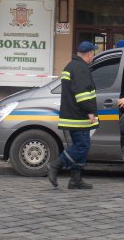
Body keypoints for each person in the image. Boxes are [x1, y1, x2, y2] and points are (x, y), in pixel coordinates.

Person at [47, 41, 99, 189]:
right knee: (82, 146)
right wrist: (90, 111)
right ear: (89, 54)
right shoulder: (80, 68)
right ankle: (55, 165)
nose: (93, 57)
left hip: (72, 114)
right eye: (93, 54)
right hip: (79, 116)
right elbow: (82, 94)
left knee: (80, 145)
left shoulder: (70, 66)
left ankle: (76, 180)